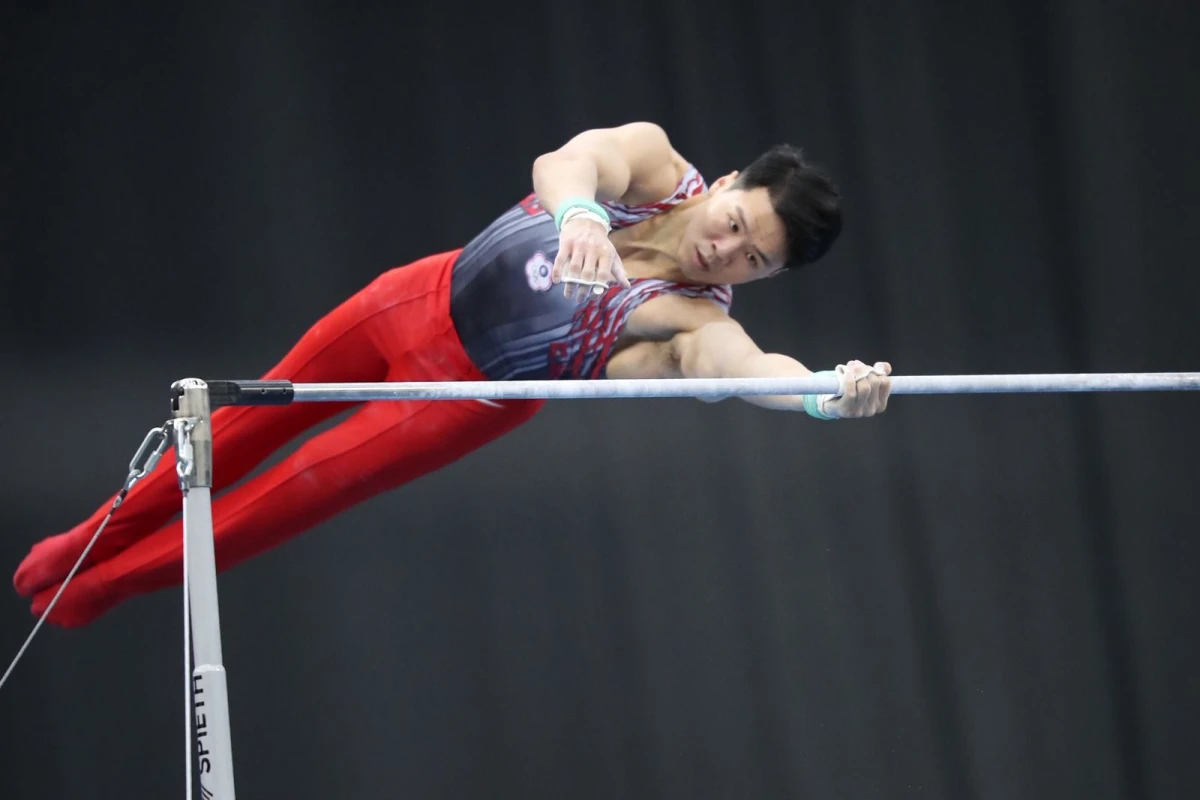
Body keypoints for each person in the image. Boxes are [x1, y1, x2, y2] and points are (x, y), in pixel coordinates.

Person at [12, 121, 893, 627]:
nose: (725, 249)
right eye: (738, 221)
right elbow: (568, 162)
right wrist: (581, 214)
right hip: (409, 297)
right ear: (729, 181)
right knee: (231, 425)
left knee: (273, 501)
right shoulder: (658, 167)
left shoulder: (692, 318)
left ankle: (96, 587)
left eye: (753, 262)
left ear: (763, 280)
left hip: (450, 400)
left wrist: (819, 393)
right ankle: (91, 536)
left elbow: (742, 369)